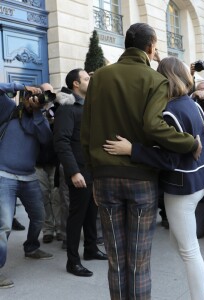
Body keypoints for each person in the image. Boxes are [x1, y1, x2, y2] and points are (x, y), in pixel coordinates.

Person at [80, 23, 201, 300]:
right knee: (139, 260)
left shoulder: (99, 77)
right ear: (150, 47)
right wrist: (189, 142)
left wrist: (93, 173)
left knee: (116, 260)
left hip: (105, 177)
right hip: (140, 180)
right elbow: (154, 127)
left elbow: (85, 132)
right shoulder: (154, 79)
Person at [102, 56, 204, 300]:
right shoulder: (193, 104)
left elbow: (169, 160)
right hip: (198, 182)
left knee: (188, 249)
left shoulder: (171, 111)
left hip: (182, 188)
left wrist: (133, 150)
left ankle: (203, 297)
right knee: (180, 244)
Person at [53, 69, 107, 278]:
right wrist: (74, 172)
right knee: (77, 216)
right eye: (86, 78)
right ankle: (72, 261)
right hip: (79, 171)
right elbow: (61, 142)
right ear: (76, 84)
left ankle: (91, 249)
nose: (90, 80)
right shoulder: (67, 108)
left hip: (92, 169)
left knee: (92, 212)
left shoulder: (88, 105)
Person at [0, 82, 53, 289]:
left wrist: (38, 112)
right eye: (33, 96)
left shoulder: (40, 119)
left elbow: (46, 140)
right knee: (3, 224)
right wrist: (21, 86)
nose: (35, 99)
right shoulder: (8, 109)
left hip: (29, 177)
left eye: (40, 97)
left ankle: (31, 248)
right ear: (24, 96)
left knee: (39, 216)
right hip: (4, 174)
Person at [35, 83, 62, 244]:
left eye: (50, 92)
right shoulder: (32, 110)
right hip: (37, 161)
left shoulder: (59, 109)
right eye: (45, 92)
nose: (47, 95)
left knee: (57, 195)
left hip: (54, 160)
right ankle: (48, 230)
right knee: (43, 195)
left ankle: (59, 228)